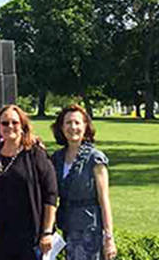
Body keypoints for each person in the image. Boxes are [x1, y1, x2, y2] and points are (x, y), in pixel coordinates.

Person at [0, 104, 57, 260]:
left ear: (22, 126)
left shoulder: (36, 154)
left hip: (30, 238)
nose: (10, 126)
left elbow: (50, 194)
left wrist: (47, 231)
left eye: (15, 122)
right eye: (4, 123)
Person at [50, 105, 116, 260]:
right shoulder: (57, 158)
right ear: (61, 127)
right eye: (68, 123)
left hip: (89, 231)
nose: (73, 127)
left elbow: (104, 200)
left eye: (77, 123)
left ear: (85, 127)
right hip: (67, 228)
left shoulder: (95, 158)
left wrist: (109, 238)